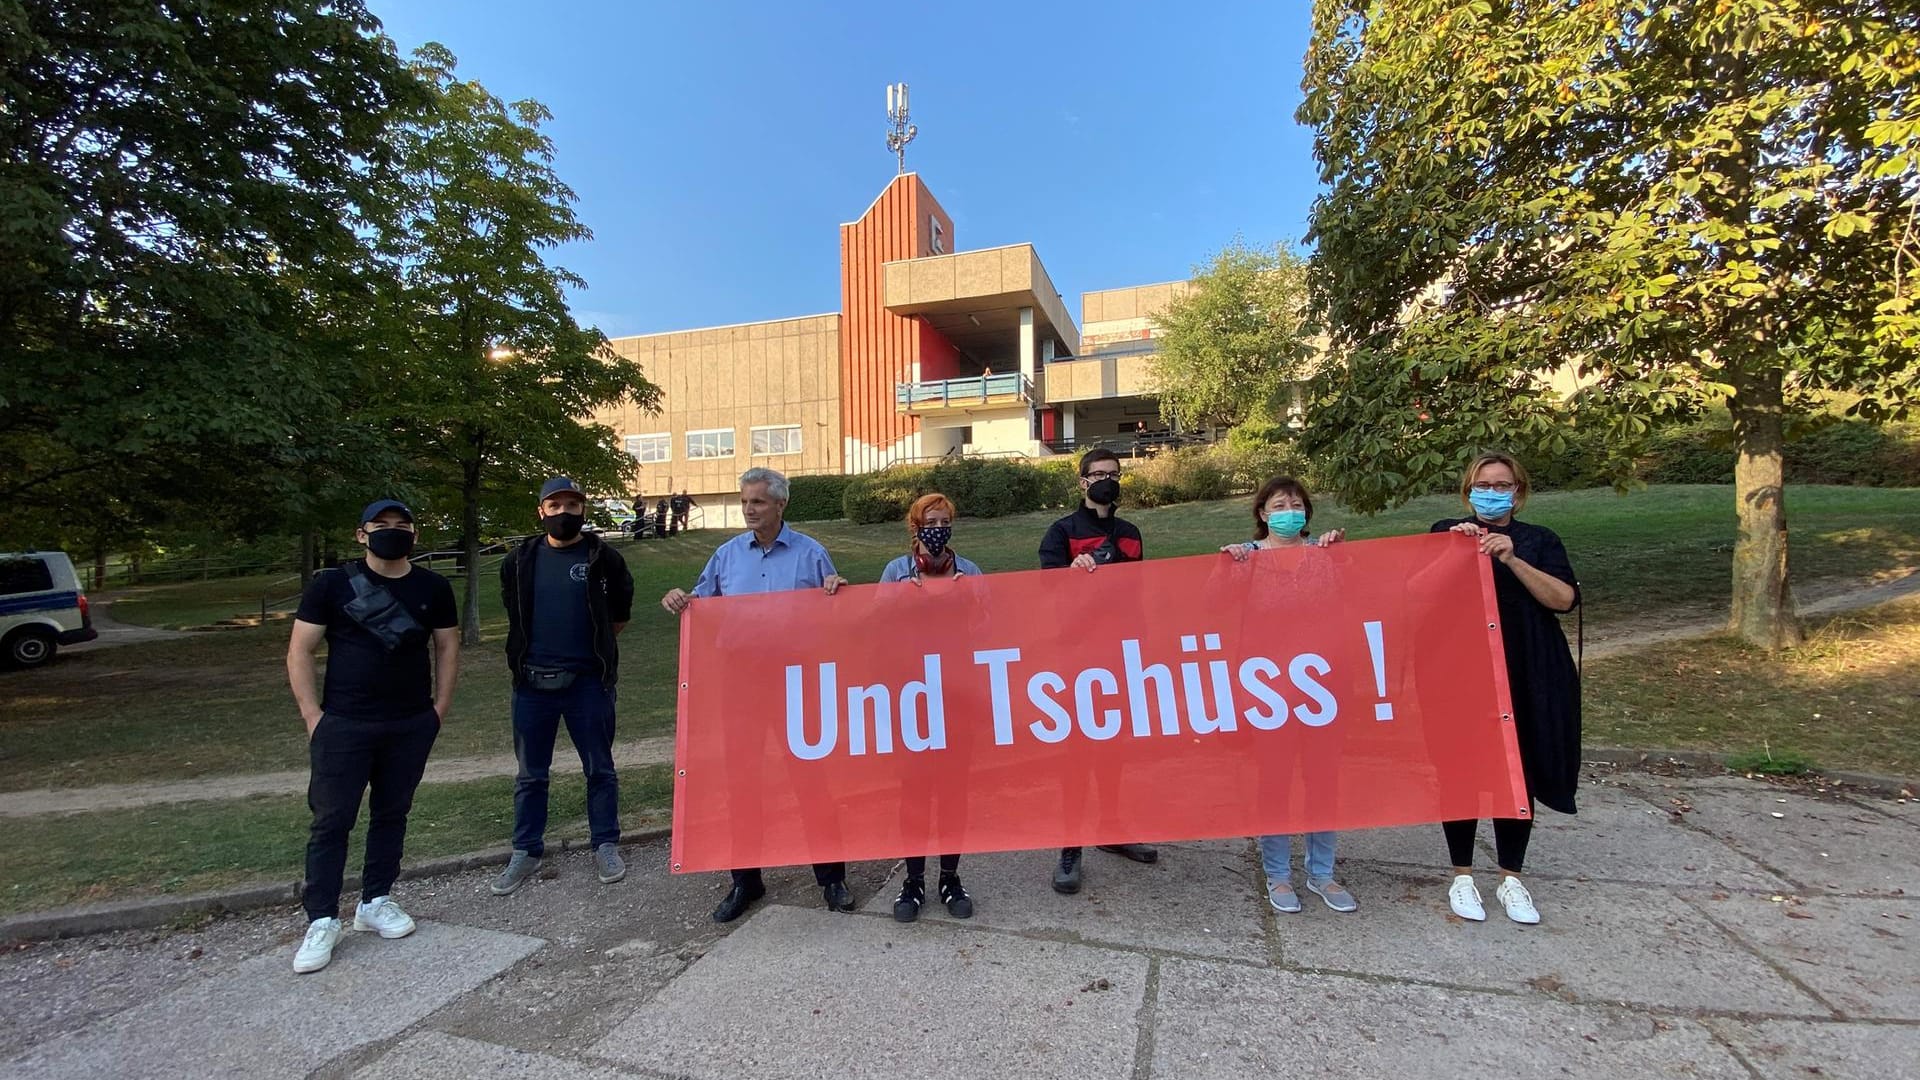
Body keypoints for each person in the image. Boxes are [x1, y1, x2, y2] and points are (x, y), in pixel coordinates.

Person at [662, 467, 853, 922]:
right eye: (745, 501)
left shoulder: (811, 554)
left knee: (812, 784)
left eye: (758, 502)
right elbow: (700, 602)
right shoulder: (727, 556)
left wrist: (837, 590)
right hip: (742, 689)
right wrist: (678, 599)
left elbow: (836, 611)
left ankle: (832, 878)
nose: (749, 509)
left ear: (780, 505)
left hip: (797, 688)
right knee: (743, 786)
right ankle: (746, 880)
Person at [286, 499, 458, 974]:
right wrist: (312, 714)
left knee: (392, 813)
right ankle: (322, 918)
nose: (392, 532)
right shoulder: (332, 585)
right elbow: (300, 650)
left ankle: (375, 900)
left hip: (409, 722)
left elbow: (447, 645)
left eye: (402, 525)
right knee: (331, 821)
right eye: (381, 526)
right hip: (343, 724)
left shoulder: (433, 587)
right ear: (361, 535)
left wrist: (438, 707)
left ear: (415, 535)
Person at [1431, 452, 1580, 925]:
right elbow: (1416, 592)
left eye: (1502, 484)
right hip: (1464, 670)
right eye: (1483, 483)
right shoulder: (1445, 533)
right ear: (1467, 490)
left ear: (1518, 491)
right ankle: (1462, 876)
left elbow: (1563, 599)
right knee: (1463, 769)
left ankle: (1511, 878)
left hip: (1529, 667)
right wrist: (1451, 552)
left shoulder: (1539, 540)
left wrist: (1512, 558)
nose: (1492, 491)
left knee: (1520, 771)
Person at [492, 477, 636, 896]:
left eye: (572, 505)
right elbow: (514, 612)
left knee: (600, 769)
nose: (564, 513)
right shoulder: (518, 560)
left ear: (583, 510)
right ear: (541, 512)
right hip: (531, 685)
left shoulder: (603, 558)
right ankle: (526, 850)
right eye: (555, 506)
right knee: (530, 775)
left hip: (588, 684)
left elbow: (619, 616)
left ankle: (605, 844)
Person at [1220, 477, 1355, 915]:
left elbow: (1355, 602)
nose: (1289, 511)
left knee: (1324, 782)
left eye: (1296, 504)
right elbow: (1209, 606)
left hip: (1321, 689)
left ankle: (1322, 873)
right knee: (1274, 781)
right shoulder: (1247, 557)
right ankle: (1277, 874)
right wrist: (1227, 569)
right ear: (1263, 513)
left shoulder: (1323, 556)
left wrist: (1343, 558)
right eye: (1279, 504)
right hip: (1269, 690)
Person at [1038, 448, 1156, 894]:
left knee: (1114, 751)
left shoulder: (1130, 533)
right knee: (1076, 756)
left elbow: (1137, 594)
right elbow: (1045, 595)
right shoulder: (1061, 533)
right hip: (1076, 662)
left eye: (1113, 473)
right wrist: (1072, 574)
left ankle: (1111, 829)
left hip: (1119, 659)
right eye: (1097, 474)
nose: (1106, 479)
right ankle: (1071, 846)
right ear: (1082, 482)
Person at [878, 493, 982, 922]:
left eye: (944, 520)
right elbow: (874, 624)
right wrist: (904, 600)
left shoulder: (970, 571)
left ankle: (950, 876)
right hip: (912, 697)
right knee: (915, 792)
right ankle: (913, 880)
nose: (937, 528)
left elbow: (994, 628)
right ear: (915, 527)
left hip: (958, 694)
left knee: (955, 791)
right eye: (930, 521)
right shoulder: (896, 572)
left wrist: (969, 602)